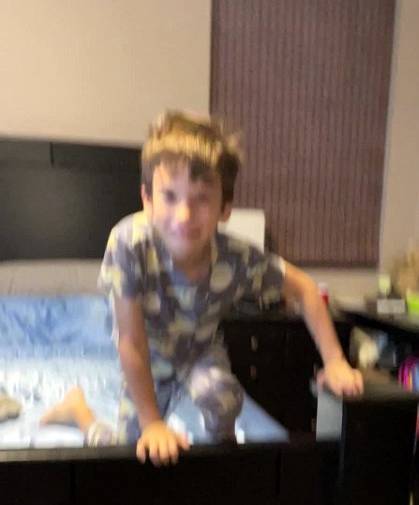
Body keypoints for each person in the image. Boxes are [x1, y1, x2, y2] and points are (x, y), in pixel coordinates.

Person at [43, 110, 363, 463]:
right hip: (148, 356)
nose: (184, 215)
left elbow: (304, 287)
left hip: (200, 352)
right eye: (170, 196)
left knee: (222, 395)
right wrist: (152, 424)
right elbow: (130, 341)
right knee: (128, 455)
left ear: (225, 208)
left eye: (202, 200)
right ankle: (79, 411)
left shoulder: (236, 258)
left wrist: (335, 361)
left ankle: (220, 456)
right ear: (147, 199)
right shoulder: (129, 245)